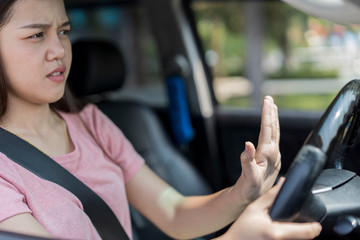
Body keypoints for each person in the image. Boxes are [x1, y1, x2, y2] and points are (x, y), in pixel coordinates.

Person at [0, 0, 322, 239]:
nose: (59, 49)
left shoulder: (91, 123)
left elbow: (174, 212)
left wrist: (243, 191)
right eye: (36, 35)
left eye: (63, 31)